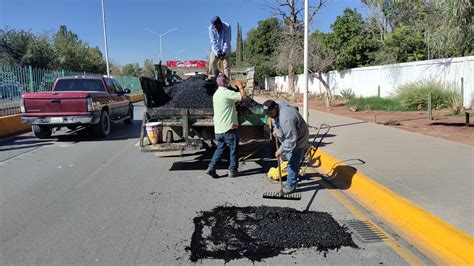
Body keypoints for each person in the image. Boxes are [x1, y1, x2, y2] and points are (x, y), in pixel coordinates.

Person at [263, 100, 309, 194]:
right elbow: (276, 119)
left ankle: (290, 185)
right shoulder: (278, 105)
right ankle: (293, 174)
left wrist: (280, 150)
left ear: (275, 108)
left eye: (271, 113)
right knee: (289, 158)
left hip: (298, 139)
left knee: (293, 162)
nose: (269, 116)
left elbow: (291, 139)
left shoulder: (286, 119)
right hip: (291, 135)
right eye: (267, 114)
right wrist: (277, 130)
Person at [206, 74, 246, 178]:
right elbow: (243, 97)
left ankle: (211, 167)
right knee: (234, 149)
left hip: (218, 129)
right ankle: (232, 170)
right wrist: (240, 87)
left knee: (220, 148)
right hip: (229, 128)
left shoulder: (216, 94)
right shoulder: (227, 93)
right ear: (225, 82)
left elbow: (229, 104)